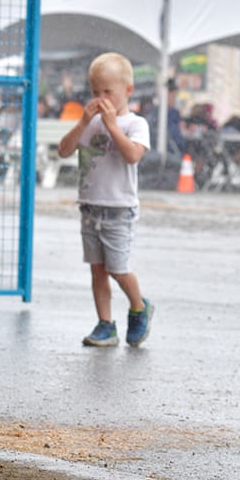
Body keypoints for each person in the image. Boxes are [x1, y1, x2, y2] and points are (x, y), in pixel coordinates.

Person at [57, 52, 155, 348]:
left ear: (128, 90)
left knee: (117, 268)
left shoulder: (135, 124)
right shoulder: (89, 124)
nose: (101, 99)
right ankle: (105, 324)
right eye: (95, 92)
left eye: (108, 92)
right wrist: (83, 123)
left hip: (119, 209)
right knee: (97, 269)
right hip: (90, 206)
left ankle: (139, 306)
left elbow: (133, 155)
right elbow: (64, 150)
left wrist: (112, 126)